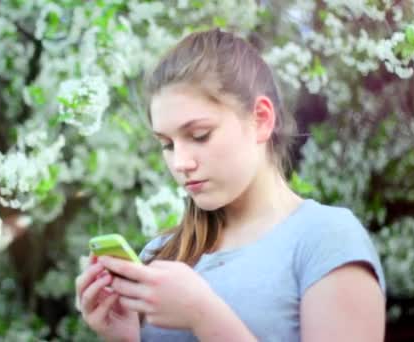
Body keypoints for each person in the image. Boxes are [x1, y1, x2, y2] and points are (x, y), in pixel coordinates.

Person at [74, 28, 386, 342]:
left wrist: (203, 315)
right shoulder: (160, 255)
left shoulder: (325, 240)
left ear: (262, 119)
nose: (180, 162)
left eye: (199, 135)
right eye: (167, 144)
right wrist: (124, 337)